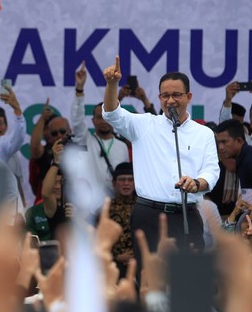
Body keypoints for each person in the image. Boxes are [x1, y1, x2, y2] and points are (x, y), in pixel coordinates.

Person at [102, 57, 220, 252]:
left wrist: (197, 183)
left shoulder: (204, 133)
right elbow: (112, 114)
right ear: (159, 98)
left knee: (189, 279)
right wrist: (112, 84)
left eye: (176, 95)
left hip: (187, 214)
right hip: (148, 215)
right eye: (165, 95)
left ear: (189, 97)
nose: (170, 100)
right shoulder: (145, 125)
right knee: (150, 278)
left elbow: (212, 171)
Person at [71, 62, 130, 197]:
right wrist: (79, 89)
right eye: (99, 117)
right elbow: (77, 120)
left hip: (116, 204)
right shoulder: (86, 140)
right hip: (91, 205)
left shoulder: (122, 146)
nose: (104, 121)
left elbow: (125, 178)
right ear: (93, 121)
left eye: (106, 118)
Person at [107, 162, 136, 277]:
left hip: (140, 265)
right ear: (114, 183)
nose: (126, 183)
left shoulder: (143, 208)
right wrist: (116, 256)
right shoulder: (105, 209)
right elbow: (98, 240)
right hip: (114, 266)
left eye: (130, 180)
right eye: (122, 179)